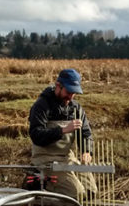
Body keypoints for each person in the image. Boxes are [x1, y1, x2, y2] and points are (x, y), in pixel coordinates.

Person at [28, 68, 97, 198]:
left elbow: (86, 133)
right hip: (46, 160)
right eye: (68, 92)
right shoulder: (41, 105)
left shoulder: (76, 109)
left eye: (74, 93)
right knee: (77, 193)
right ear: (58, 86)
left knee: (90, 192)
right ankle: (38, 181)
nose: (70, 97)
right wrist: (62, 130)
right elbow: (36, 135)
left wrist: (87, 151)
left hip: (67, 159)